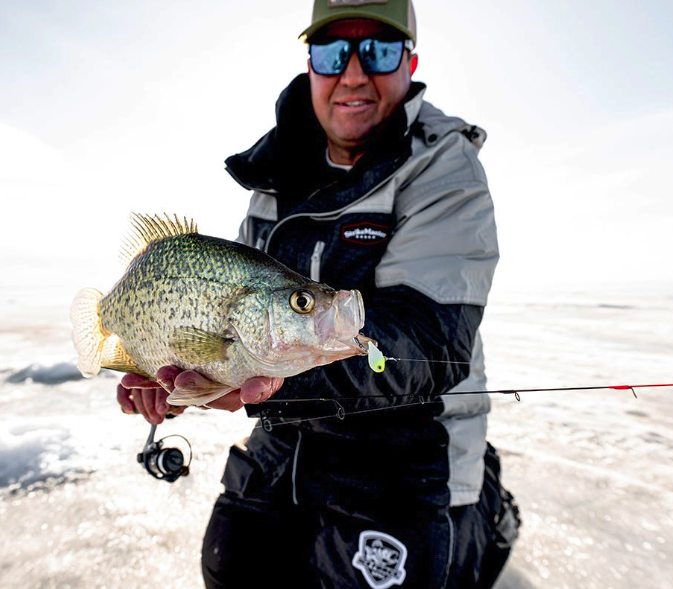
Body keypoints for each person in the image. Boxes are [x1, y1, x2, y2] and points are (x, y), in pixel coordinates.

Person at [117, 1, 520, 587]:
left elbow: (428, 340)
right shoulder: (272, 178)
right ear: (311, 65)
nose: (353, 74)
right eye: (332, 53)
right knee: (229, 566)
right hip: (287, 437)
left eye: (377, 51)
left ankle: (488, 518)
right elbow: (231, 319)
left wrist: (265, 379)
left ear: (409, 63)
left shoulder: (443, 166)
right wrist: (184, 382)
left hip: (412, 450)